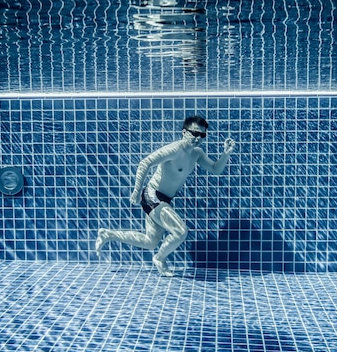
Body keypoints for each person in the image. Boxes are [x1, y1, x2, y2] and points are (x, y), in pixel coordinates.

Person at [95, 116, 236, 276]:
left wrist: (225, 154)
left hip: (164, 199)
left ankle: (108, 234)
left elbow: (215, 169)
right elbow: (145, 163)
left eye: (202, 135)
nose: (198, 138)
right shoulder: (174, 150)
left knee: (150, 242)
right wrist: (136, 191)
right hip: (152, 195)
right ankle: (160, 259)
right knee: (181, 231)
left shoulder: (197, 154)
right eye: (194, 134)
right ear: (184, 132)